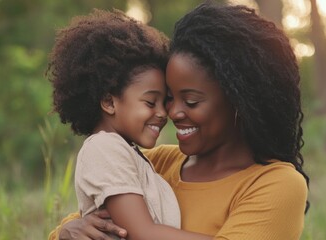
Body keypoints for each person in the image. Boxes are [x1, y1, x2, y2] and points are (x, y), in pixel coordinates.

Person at [49, 1, 310, 240]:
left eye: (192, 101)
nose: (172, 113)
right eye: (170, 98)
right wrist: (65, 232)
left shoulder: (276, 184)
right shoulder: (155, 162)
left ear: (240, 101)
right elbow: (93, 217)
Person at [46, 9, 213, 240]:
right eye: (150, 102)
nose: (164, 113)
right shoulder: (104, 148)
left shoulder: (125, 151)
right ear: (109, 102)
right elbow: (144, 232)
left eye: (164, 102)